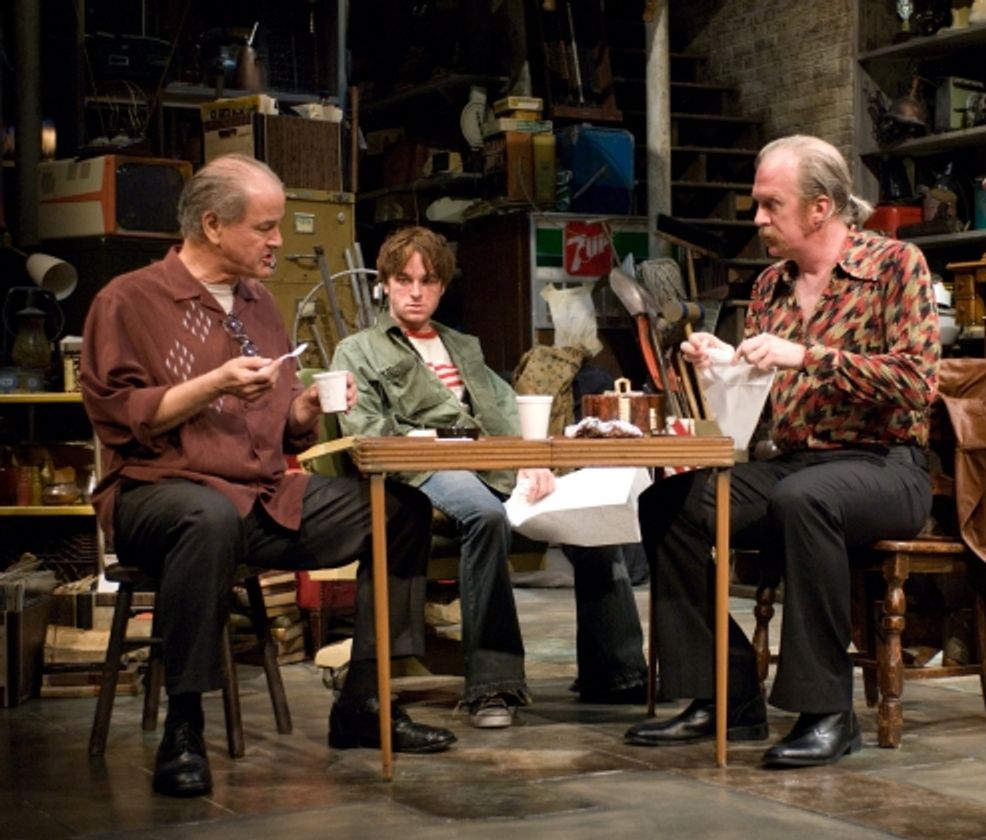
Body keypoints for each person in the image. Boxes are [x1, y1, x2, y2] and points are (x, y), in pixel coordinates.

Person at [80, 155, 456, 799]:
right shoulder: (130, 300)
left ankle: (363, 702)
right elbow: (120, 417)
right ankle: (185, 726)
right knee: (207, 517)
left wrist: (303, 411)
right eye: (265, 227)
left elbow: (275, 430)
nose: (279, 240)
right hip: (158, 492)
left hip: (259, 496)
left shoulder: (257, 303)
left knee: (398, 511)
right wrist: (213, 384)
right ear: (212, 225)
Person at [624, 135, 940, 767]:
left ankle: (828, 711)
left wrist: (808, 356)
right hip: (794, 462)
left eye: (770, 205)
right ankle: (725, 693)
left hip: (886, 465)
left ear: (820, 208)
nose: (758, 219)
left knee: (804, 500)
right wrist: (723, 366)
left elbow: (916, 382)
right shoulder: (769, 286)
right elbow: (762, 404)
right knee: (669, 504)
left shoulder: (896, 266)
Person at [331, 225, 649, 728]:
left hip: (493, 461)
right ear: (385, 284)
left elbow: (505, 411)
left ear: (442, 287)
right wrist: (431, 446)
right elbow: (366, 431)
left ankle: (617, 672)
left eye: (428, 281)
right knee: (483, 516)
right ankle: (493, 686)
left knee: (590, 513)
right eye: (405, 280)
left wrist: (534, 459)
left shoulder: (462, 345)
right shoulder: (360, 350)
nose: (416, 292)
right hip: (426, 469)